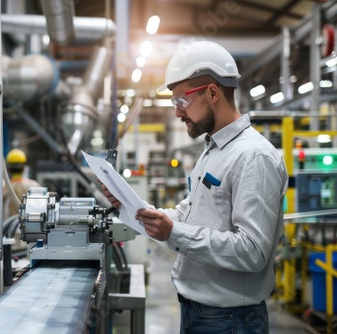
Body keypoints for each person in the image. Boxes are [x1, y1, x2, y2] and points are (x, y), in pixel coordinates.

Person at [102, 41, 288, 333]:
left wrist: (174, 233)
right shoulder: (213, 150)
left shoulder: (253, 157)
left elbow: (253, 251)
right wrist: (134, 208)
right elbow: (188, 212)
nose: (178, 113)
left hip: (230, 321)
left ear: (212, 92)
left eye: (181, 101)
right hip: (201, 314)